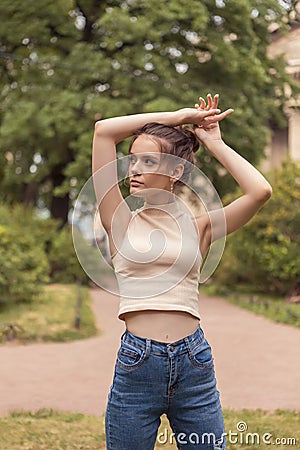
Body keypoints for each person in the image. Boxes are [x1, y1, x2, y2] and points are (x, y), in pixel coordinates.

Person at [92, 94, 272, 449]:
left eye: (148, 160)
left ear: (176, 171)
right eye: (132, 160)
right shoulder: (120, 220)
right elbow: (103, 132)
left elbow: (260, 191)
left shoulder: (200, 226)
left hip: (195, 363)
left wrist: (213, 141)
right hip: (137, 363)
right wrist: (177, 117)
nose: (134, 169)